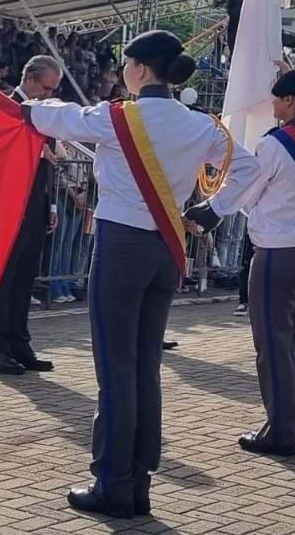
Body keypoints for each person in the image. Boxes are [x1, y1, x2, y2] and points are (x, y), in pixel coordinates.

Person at [23, 30, 258, 519]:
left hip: (121, 246)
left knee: (115, 369)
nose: (123, 71)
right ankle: (139, 480)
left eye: (126, 64)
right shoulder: (201, 126)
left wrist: (20, 105)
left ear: (141, 70)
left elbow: (50, 115)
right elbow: (249, 170)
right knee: (145, 366)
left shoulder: (116, 117)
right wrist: (212, 211)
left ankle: (113, 483)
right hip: (166, 250)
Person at [189, 68, 295, 455]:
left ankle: (281, 432)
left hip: (276, 251)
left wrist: (212, 208)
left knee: (272, 345)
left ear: (289, 101)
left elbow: (249, 190)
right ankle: (291, 425)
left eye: (276, 97)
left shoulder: (274, 143)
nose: (271, 104)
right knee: (293, 341)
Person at [0, 56, 63, 375]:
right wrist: (28, 148)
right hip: (7, 207)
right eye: (45, 87)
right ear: (29, 79)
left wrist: (51, 206)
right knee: (5, 280)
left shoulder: (45, 114)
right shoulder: (5, 107)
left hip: (35, 204)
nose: (48, 94)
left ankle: (20, 342)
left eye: (53, 89)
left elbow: (51, 162)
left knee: (24, 279)